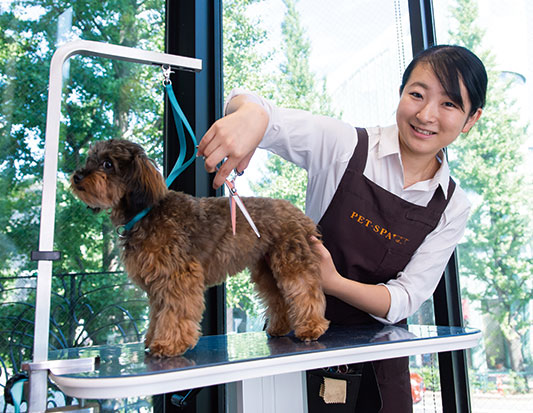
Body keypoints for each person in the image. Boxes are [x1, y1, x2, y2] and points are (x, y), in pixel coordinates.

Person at [198, 44, 487, 412]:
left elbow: (405, 299)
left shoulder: (451, 205)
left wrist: (333, 282)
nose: (427, 114)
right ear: (401, 94)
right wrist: (249, 117)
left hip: (384, 362)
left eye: (449, 104)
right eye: (417, 95)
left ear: (471, 118)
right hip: (304, 343)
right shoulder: (345, 145)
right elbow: (251, 105)